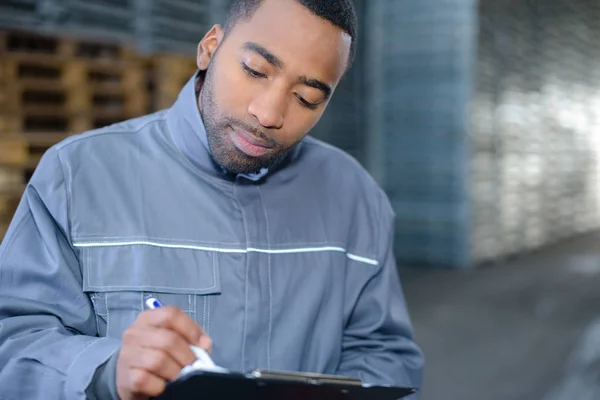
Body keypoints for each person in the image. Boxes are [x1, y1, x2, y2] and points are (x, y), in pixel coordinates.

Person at [0, 0, 424, 398]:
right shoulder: (78, 176)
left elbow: (385, 354)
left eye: (307, 98)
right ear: (209, 48)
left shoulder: (355, 198)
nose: (270, 114)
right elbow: (14, 343)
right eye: (256, 70)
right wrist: (104, 371)